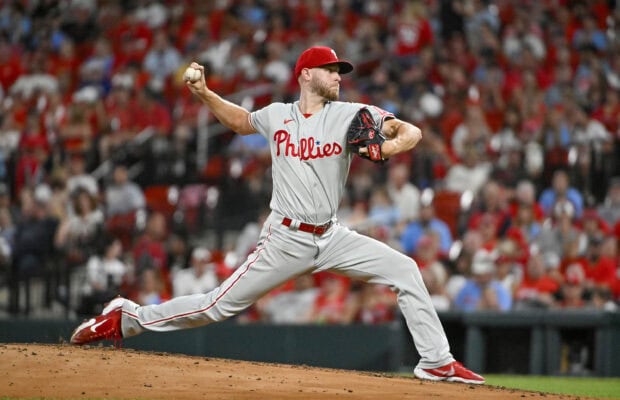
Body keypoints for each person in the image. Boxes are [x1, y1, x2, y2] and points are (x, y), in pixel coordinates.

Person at [69, 46, 484, 384]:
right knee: (215, 306)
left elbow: (411, 132)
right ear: (306, 74)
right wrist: (204, 93)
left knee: (406, 270)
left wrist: (389, 148)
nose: (339, 76)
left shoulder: (351, 114)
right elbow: (240, 121)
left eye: (340, 71)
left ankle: (435, 361)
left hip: (332, 236)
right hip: (285, 238)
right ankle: (128, 319)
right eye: (330, 69)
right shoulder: (276, 115)